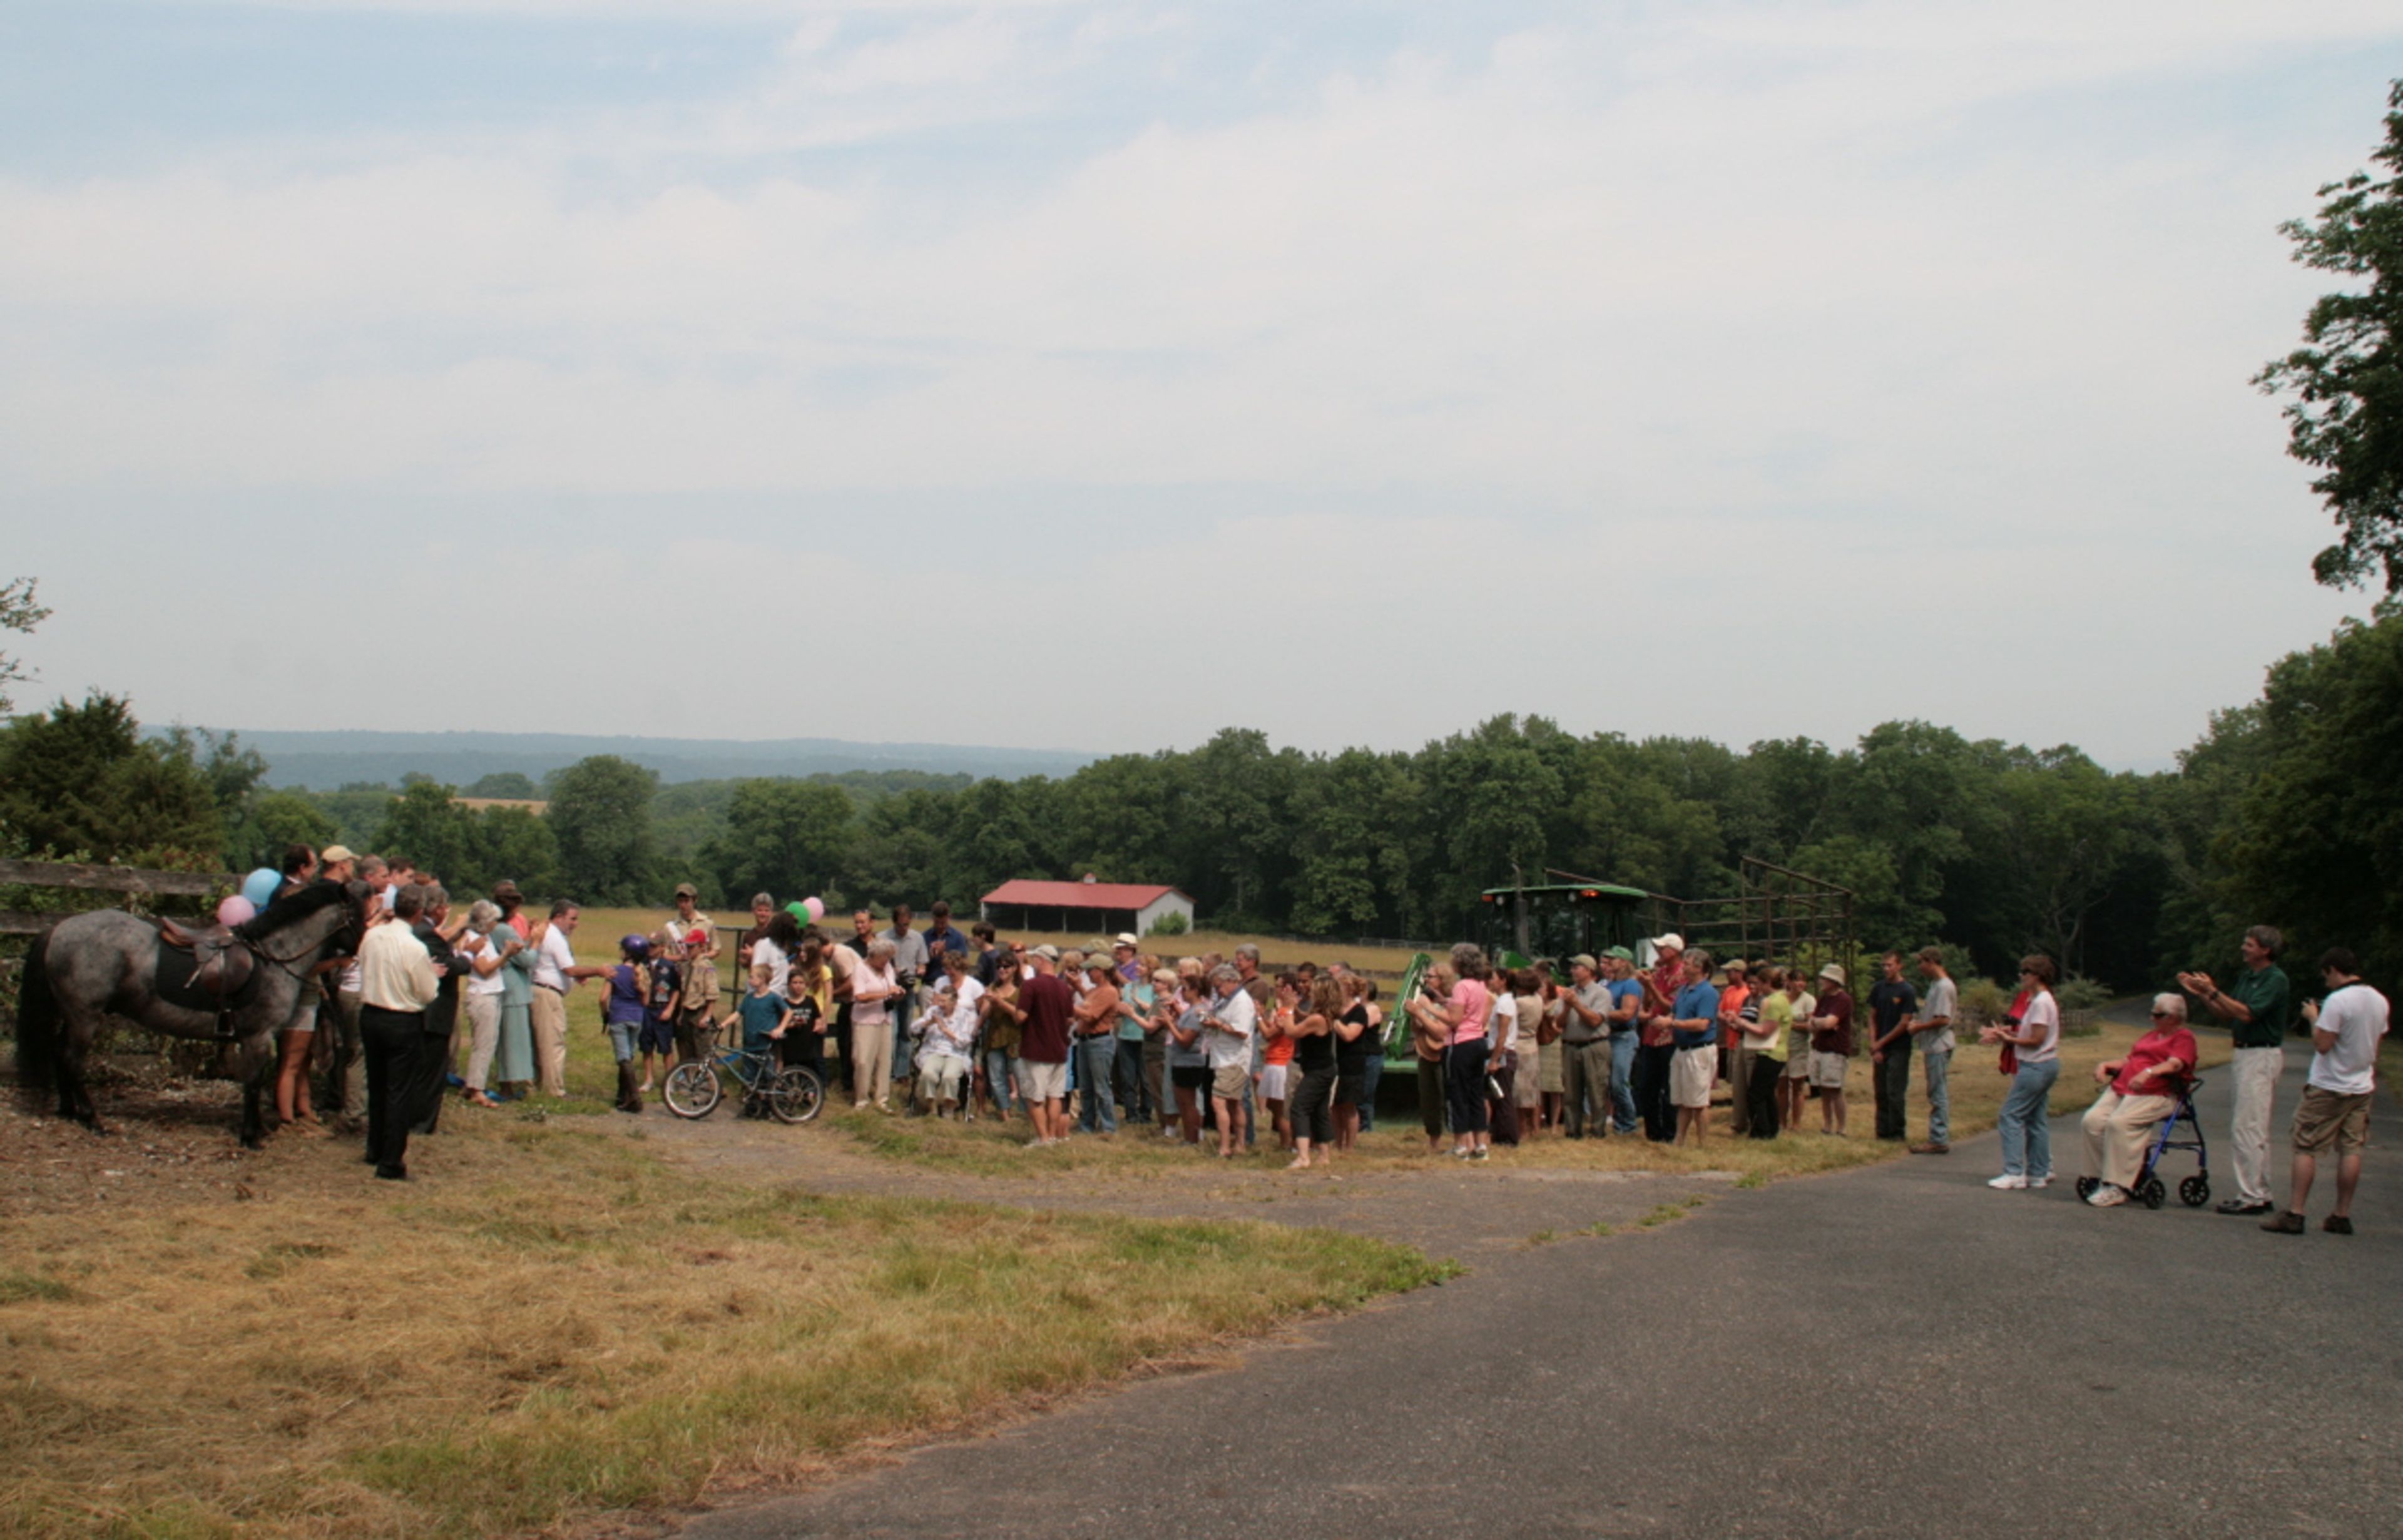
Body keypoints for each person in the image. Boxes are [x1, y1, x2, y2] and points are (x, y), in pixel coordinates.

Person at [2263, 949, 2390, 1235]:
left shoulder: (2338, 1001)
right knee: (2351, 1148)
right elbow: (2376, 1044)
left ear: (2333, 970)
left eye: (2326, 977)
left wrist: (2312, 1017)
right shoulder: (2379, 1000)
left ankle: (2296, 1212)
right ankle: (2341, 1214)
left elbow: (2322, 1044)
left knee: (2306, 1146)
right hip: (2361, 1085)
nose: (2326, 984)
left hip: (2329, 1085)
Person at [2180, 926, 2294, 1218]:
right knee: (2250, 1125)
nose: (2244, 948)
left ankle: (2252, 1195)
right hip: (2244, 1051)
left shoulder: (2275, 980)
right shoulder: (2248, 977)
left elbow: (2248, 1013)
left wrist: (2214, 990)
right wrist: (2204, 995)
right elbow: (2227, 1014)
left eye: (2250, 944)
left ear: (2266, 950)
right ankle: (2259, 1190)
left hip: (2261, 1052)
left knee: (2247, 1126)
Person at [2079, 993, 2198, 1207]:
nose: (2152, 1018)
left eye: (2158, 1014)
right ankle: (2102, 1175)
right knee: (2092, 1121)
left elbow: (2175, 1065)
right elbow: (2129, 1060)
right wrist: (2105, 1065)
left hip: (2157, 1093)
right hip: (2125, 1089)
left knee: (2119, 1123)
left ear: (2173, 1017)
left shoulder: (2184, 1037)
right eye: (2152, 1013)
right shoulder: (2150, 1037)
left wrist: (2148, 1073)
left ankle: (2118, 1185)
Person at [357, 883, 440, 1180]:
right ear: (419, 913)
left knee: (377, 1085)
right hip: (401, 1020)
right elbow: (428, 993)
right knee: (399, 1091)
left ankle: (375, 1147)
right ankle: (391, 1159)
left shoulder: (372, 935)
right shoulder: (415, 948)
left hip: (371, 1014)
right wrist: (433, 976)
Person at [1983, 955, 2063, 1190]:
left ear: (2037, 975)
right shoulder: (2038, 1000)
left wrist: (2009, 1039)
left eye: (2025, 972)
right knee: (2035, 1119)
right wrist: (2009, 1032)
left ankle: (2014, 1171)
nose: (2021, 976)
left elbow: (2037, 1039)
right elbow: (2031, 1032)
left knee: (2010, 1115)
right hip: (2045, 1064)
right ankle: (2038, 1173)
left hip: (2036, 1065)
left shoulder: (2040, 1002)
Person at [529, 900, 607, 1098]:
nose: (575, 923)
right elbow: (569, 969)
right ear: (559, 917)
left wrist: (576, 976)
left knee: (543, 1042)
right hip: (547, 994)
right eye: (573, 919)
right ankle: (553, 1089)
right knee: (552, 1043)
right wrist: (598, 970)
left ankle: (541, 1084)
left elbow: (563, 968)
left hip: (542, 992)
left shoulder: (551, 935)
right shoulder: (555, 937)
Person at [406, 885, 464, 1135]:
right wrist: (467, 958)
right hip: (435, 1012)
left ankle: (416, 1118)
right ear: (438, 909)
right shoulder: (426, 933)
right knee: (431, 1071)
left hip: (422, 1012)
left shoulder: (419, 930)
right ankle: (423, 1122)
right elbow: (448, 964)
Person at [456, 900, 514, 1110]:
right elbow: (484, 969)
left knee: (486, 1043)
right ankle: (477, 1090)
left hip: (492, 993)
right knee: (484, 1044)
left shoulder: (486, 938)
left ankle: (473, 1084)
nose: (495, 924)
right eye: (492, 920)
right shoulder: (474, 939)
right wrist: (506, 954)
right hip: (482, 996)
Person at [1016, 946, 1076, 1146]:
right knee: (1055, 1096)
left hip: (1036, 1048)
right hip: (1059, 1048)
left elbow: (1021, 1017)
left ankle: (1042, 1138)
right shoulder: (1065, 988)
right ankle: (1051, 1136)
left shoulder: (1031, 986)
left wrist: (1008, 1008)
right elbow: (1070, 1018)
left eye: (1035, 959)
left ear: (1041, 961)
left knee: (1035, 1098)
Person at [1437, 942, 1492, 1161]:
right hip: (1478, 1041)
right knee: (1475, 1093)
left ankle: (1460, 1145)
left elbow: (1455, 1020)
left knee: (1457, 1093)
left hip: (1460, 1043)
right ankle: (1480, 1144)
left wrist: (1430, 1009)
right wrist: (1445, 1001)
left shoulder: (1461, 986)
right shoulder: (1480, 985)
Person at [1201, 963, 1258, 1159]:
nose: (1218, 990)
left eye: (1220, 986)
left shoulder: (1242, 1002)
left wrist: (1219, 1024)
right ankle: (1240, 1143)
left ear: (1232, 981)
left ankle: (1225, 1145)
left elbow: (1242, 1032)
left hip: (1235, 1059)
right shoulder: (1227, 1000)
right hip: (1223, 1056)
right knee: (1235, 1103)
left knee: (1218, 1102)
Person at [1287, 976, 1342, 1170]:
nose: (1309, 992)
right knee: (1320, 1111)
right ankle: (1324, 1155)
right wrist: (1295, 1009)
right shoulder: (1324, 1016)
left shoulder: (1318, 1019)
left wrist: (1286, 1009)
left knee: (1299, 1107)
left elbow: (1291, 1032)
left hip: (1318, 1072)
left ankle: (1303, 1156)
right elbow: (1305, 1019)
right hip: (1324, 1068)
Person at [1666, 949, 1720, 1147]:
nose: (1683, 967)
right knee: (1682, 1099)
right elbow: (1675, 1014)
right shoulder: (1683, 990)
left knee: (1699, 1100)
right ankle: (1679, 1138)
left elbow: (1702, 1024)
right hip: (1681, 1049)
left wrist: (1673, 1024)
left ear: (1699, 967)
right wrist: (1667, 1020)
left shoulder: (1708, 992)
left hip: (1699, 1050)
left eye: (1687, 963)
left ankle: (1703, 1142)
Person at [720, 963, 788, 1117]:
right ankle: (753, 1107)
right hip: (749, 1044)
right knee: (750, 1077)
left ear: (762, 979)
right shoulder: (749, 999)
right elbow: (738, 1014)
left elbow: (788, 1011)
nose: (749, 980)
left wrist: (780, 1028)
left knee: (768, 1077)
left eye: (752, 977)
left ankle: (773, 1107)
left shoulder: (772, 998)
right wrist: (724, 1024)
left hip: (764, 1044)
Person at [1634, 934, 1685, 1142]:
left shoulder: (1681, 974)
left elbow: (1669, 1007)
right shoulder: (1660, 972)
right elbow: (1648, 1005)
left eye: (1662, 949)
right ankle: (1653, 1131)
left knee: (1668, 1087)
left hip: (1669, 1037)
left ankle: (1670, 1131)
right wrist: (1647, 986)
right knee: (1647, 1086)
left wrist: (1652, 987)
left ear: (1672, 951)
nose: (1658, 953)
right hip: (1652, 1036)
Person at [1404, 961, 1456, 1154]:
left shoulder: (1450, 1003)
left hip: (1444, 1056)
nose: (1426, 980)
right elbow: (1417, 1029)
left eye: (1430, 976)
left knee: (1447, 1098)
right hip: (1425, 1055)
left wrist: (1421, 1012)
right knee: (1429, 1100)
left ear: (1442, 980)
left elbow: (1440, 1034)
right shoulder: (1425, 1001)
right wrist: (1413, 1015)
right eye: (1426, 976)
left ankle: (1456, 1141)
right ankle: (1434, 1141)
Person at [1909, 948, 1957, 1155]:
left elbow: (1943, 1019)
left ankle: (1939, 1138)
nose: (1919, 967)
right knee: (1935, 1090)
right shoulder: (1935, 985)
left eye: (1921, 963)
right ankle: (1937, 1136)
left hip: (1939, 1044)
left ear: (1931, 962)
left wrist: (1919, 1027)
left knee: (1938, 1091)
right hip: (1932, 1044)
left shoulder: (1944, 987)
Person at [1867, 952, 1918, 1142]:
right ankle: (1882, 1131)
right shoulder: (1878, 989)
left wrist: (1882, 1042)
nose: (1887, 969)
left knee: (1894, 1091)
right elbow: (1872, 1016)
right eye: (1884, 966)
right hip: (1880, 1046)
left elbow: (1904, 1023)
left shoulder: (1907, 991)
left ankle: (1897, 1131)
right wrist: (1874, 1044)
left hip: (1899, 1047)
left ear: (1899, 966)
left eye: (1890, 965)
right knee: (1880, 1090)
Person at [601, 936, 653, 1114]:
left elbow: (602, 998)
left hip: (619, 1017)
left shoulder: (616, 972)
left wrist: (605, 1014)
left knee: (623, 1059)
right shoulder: (643, 973)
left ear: (627, 953)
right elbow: (646, 1001)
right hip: (636, 1017)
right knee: (628, 1056)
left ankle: (634, 1097)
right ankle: (622, 1097)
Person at [849, 937, 902, 1110]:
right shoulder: (860, 969)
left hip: (885, 1018)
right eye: (884, 957)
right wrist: (885, 993)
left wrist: (897, 993)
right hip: (865, 1020)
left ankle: (882, 1098)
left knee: (885, 1060)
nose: (886, 961)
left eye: (889, 957)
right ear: (874, 955)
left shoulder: (887, 968)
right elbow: (860, 996)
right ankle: (862, 1098)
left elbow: (892, 987)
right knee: (863, 1060)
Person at [1072, 957, 1123, 1135]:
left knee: (1101, 1087)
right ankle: (1087, 1124)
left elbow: (1092, 1015)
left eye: (1090, 970)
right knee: (1086, 1087)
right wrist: (1077, 986)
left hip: (1099, 1042)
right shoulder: (1095, 991)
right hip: (1086, 1041)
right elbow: (1088, 1001)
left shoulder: (1109, 992)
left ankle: (1108, 1127)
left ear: (1101, 971)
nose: (1087, 973)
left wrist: (1068, 1006)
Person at [914, 974, 977, 1118]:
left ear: (954, 1002)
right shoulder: (933, 1012)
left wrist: (946, 1031)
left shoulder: (965, 1016)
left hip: (956, 1053)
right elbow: (913, 1029)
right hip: (933, 1051)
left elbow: (965, 1041)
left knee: (950, 1076)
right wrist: (927, 1023)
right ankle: (931, 1106)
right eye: (940, 1001)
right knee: (928, 1073)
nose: (941, 1005)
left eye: (945, 1002)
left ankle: (949, 1108)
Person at [884, 905, 931, 1093]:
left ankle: (902, 1072)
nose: (904, 928)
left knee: (905, 1031)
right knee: (891, 1031)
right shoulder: (884, 937)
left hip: (909, 988)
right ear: (894, 922)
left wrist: (920, 970)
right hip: (891, 989)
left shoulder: (917, 938)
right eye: (901, 925)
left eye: (907, 925)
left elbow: (923, 962)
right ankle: (888, 1071)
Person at [1740, 965, 1790, 1138]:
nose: (1758, 987)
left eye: (1760, 983)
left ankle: (1761, 1131)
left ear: (1768, 983)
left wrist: (1742, 1024)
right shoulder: (1782, 999)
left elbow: (1765, 1031)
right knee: (1767, 1093)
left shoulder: (1775, 1002)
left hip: (1772, 1052)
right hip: (1775, 1052)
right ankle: (1771, 1128)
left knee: (1755, 1094)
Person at [1806, 964, 1855, 1136]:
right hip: (1820, 1047)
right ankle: (1827, 1124)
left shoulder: (1843, 1000)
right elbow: (1813, 1022)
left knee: (1835, 1089)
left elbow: (1829, 1023)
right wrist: (1820, 1023)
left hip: (1835, 1050)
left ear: (1834, 981)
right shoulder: (1824, 999)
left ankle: (1842, 1127)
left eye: (1825, 979)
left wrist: (1820, 1023)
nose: (1821, 981)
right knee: (1823, 1089)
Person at [1332, 973, 1378, 1151]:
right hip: (1336, 1061)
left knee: (1349, 1105)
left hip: (1352, 1063)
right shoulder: (1336, 1008)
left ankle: (1349, 1146)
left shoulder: (1359, 1011)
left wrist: (1335, 1021)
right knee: (1335, 1106)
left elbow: (1350, 1035)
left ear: (1350, 990)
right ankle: (1337, 1143)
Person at [1164, 971, 1210, 1145]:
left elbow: (1185, 1040)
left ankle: (1192, 1137)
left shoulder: (1198, 1011)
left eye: (1185, 989)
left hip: (1189, 1062)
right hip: (1182, 1061)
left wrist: (1169, 1023)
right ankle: (1189, 1135)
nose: (1183, 993)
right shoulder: (1193, 1011)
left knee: (1188, 1102)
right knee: (1182, 1101)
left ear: (1196, 990)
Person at [977, 952, 1024, 1122]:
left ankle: (1026, 1113)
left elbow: (1020, 1015)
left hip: (1016, 1037)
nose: (1002, 970)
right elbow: (984, 1014)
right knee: (997, 1078)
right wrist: (986, 1001)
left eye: (1006, 966)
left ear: (1014, 968)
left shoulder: (1022, 989)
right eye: (999, 967)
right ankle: (1005, 1113)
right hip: (995, 1037)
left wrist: (1001, 1003)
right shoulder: (993, 987)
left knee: (1022, 1077)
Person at [1601, 947, 1643, 1136]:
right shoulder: (1610, 985)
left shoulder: (1631, 985)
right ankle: (1619, 1121)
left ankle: (1627, 1122)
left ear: (1624, 962)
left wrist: (1599, 1013)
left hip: (1624, 1037)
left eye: (1614, 959)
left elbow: (1627, 1013)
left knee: (1619, 1082)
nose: (1609, 963)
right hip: (1609, 1035)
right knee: (1609, 1083)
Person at [1257, 974, 1299, 1150]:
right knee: (1277, 1107)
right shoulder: (1285, 1011)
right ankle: (1287, 1142)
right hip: (1276, 1059)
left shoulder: (1285, 1012)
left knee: (1280, 1109)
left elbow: (1269, 1034)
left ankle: (1287, 1143)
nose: (1276, 990)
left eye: (1279, 986)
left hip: (1279, 1061)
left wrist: (1258, 1018)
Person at [1716, 959, 1753, 1136]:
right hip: (1730, 1040)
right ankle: (1738, 1115)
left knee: (1743, 1082)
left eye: (1731, 972)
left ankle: (1743, 1118)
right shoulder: (1729, 991)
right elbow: (1720, 1011)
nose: (1727, 975)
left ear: (1740, 973)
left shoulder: (1746, 993)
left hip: (1740, 1038)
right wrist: (1727, 1019)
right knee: (1734, 1081)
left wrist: (1733, 1020)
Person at [1780, 966, 1817, 1136]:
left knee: (1797, 1086)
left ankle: (1796, 1123)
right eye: (1796, 980)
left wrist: (1793, 1025)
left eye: (1803, 980)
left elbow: (1811, 1026)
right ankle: (1781, 1121)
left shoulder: (1808, 1000)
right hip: (1781, 1047)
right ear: (1788, 982)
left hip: (1799, 1048)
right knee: (1781, 1086)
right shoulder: (1781, 998)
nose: (1800, 984)